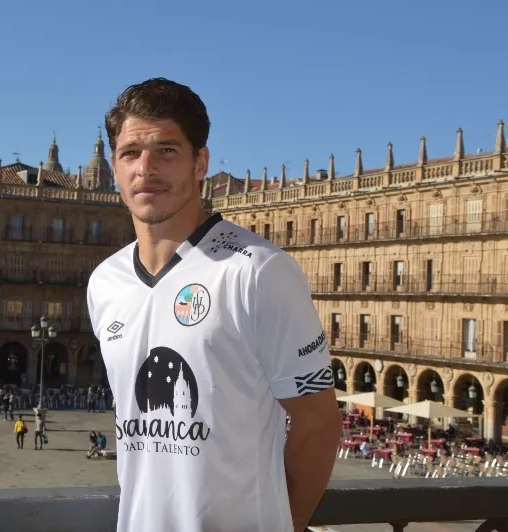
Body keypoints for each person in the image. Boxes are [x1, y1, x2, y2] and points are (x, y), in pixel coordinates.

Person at [86, 78, 341, 532]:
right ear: (114, 167)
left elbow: (317, 425)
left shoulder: (258, 271)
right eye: (131, 153)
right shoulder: (106, 282)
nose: (146, 168)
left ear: (199, 162)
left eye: (166, 150)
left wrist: (290, 524)